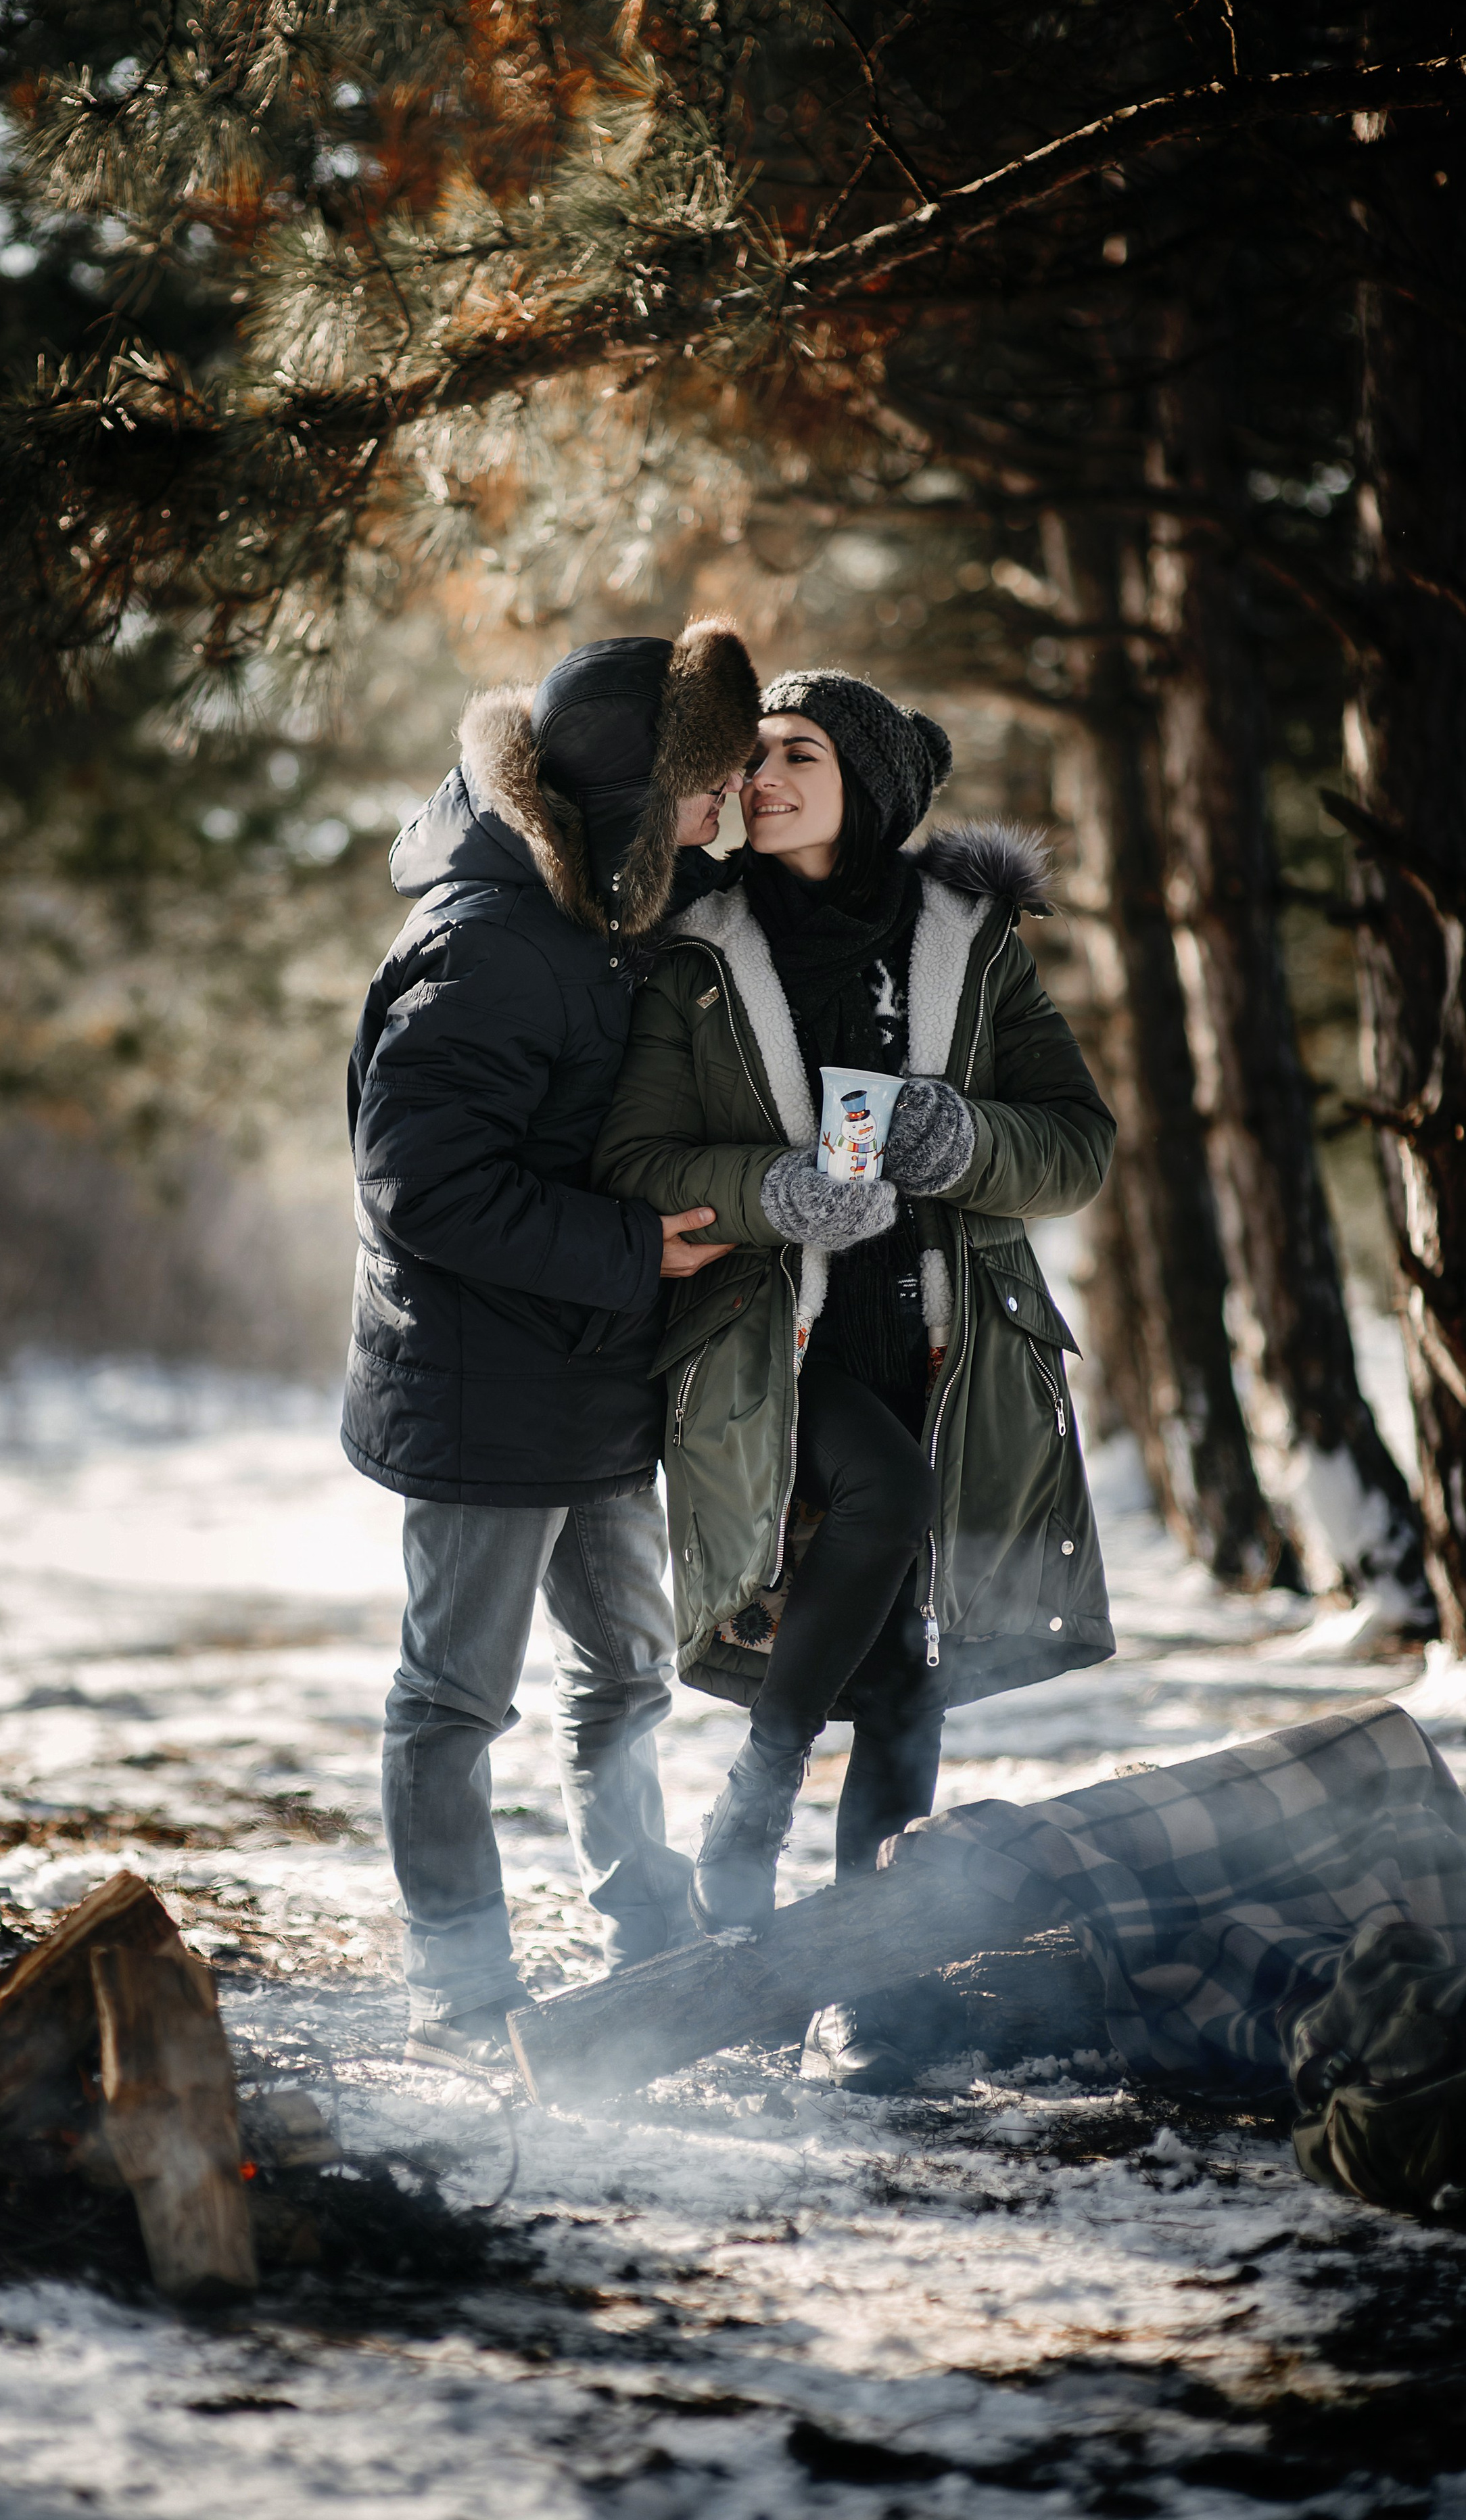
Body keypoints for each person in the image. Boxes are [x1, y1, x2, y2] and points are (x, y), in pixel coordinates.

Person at [594, 668, 1118, 2091]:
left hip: (945, 1346)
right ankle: (752, 1805)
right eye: (751, 754)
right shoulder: (691, 948)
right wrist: (771, 1190)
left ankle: (852, 1983)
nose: (759, 775)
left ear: (868, 785)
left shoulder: (971, 942)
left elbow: (1075, 1143)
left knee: (903, 1684)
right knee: (883, 1494)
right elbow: (634, 1161)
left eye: (796, 752)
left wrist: (962, 1142)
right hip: (775, 1344)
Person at [345, 622, 761, 2076]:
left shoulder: (594, 911)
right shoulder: (491, 942)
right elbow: (419, 1184)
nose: (718, 822)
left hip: (589, 1376)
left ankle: (650, 1930)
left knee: (628, 1675)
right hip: (477, 1389)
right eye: (702, 793)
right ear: (638, 795)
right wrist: (634, 1251)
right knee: (454, 1697)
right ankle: (457, 1985)